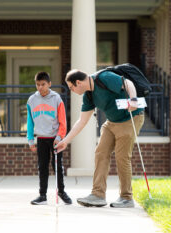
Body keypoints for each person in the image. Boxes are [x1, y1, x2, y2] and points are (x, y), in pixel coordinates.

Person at [55, 69, 144, 208]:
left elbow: (128, 83)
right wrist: (65, 141)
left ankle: (126, 198)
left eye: (71, 87)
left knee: (122, 157)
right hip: (112, 122)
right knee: (101, 153)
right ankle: (98, 195)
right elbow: (82, 121)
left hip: (130, 118)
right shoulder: (88, 96)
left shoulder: (104, 77)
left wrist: (133, 99)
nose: (72, 91)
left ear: (78, 82)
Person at [27, 71, 72, 205]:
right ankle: (42, 195)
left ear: (49, 84)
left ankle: (62, 192)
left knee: (57, 166)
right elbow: (30, 121)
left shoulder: (56, 99)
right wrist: (30, 140)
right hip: (41, 138)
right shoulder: (32, 100)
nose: (40, 87)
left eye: (43, 84)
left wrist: (60, 136)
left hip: (55, 138)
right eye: (38, 84)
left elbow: (63, 121)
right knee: (42, 167)